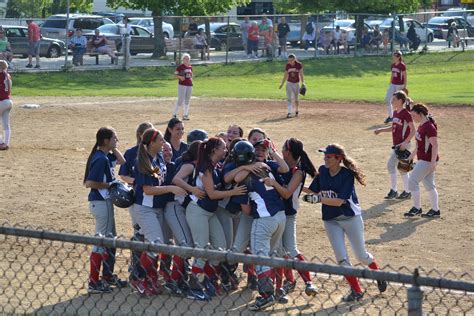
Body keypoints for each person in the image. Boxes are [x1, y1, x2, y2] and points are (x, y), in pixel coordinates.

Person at [304, 144, 388, 302]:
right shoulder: (322, 171)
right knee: (342, 259)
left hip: (350, 218)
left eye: (328, 156)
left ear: (338, 159)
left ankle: (379, 274)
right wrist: (296, 186)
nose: (325, 159)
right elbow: (313, 191)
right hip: (331, 220)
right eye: (325, 156)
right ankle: (357, 291)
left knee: (361, 256)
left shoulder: (347, 175)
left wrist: (319, 199)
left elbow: (339, 201)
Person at [185, 137, 246, 299]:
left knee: (220, 248)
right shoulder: (206, 168)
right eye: (223, 148)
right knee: (202, 249)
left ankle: (205, 279)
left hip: (208, 213)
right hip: (197, 211)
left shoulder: (215, 166)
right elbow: (212, 194)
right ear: (214, 150)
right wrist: (233, 192)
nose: (226, 151)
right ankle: (194, 287)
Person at [232, 141, 287, 311]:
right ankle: (275, 289)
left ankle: (266, 295)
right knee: (270, 255)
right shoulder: (265, 167)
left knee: (260, 257)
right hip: (280, 217)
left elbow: (247, 210)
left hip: (264, 220)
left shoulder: (244, 176)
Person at [132, 128, 187, 296]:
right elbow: (148, 189)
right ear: (152, 143)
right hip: (145, 208)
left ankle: (151, 279)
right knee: (156, 243)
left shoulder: (159, 157)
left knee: (159, 244)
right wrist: (171, 188)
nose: (164, 143)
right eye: (161, 140)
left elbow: (160, 175)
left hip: (158, 208)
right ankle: (138, 278)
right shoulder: (143, 162)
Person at [261, 138, 318, 299]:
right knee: (278, 251)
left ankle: (308, 282)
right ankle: (280, 286)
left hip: (288, 215)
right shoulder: (281, 166)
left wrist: (273, 183)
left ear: (287, 152)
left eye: (283, 149)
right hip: (275, 214)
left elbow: (286, 193)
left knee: (291, 249)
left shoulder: (298, 171)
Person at [83, 127, 127, 294]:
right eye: (115, 138)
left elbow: (122, 161)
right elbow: (90, 183)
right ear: (105, 141)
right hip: (101, 203)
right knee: (101, 242)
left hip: (103, 203)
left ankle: (107, 276)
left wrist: (113, 147)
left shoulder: (105, 156)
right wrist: (110, 185)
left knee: (109, 240)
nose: (118, 140)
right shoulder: (101, 159)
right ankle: (94, 282)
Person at [118, 122, 154, 289]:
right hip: (137, 198)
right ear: (140, 135)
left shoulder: (154, 154)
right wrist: (137, 182)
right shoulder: (132, 153)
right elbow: (123, 175)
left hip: (152, 199)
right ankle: (136, 270)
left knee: (150, 234)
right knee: (139, 232)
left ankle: (148, 271)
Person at [374, 90, 415, 200]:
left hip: (403, 145)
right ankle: (407, 191)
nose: (392, 102)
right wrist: (381, 130)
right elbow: (393, 127)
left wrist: (405, 143)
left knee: (391, 165)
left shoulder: (406, 114)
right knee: (402, 169)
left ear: (400, 101)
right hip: (397, 145)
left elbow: (413, 131)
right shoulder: (396, 112)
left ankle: (395, 190)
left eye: (394, 100)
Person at [404, 103, 440, 218]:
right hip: (424, 160)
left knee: (412, 182)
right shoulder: (421, 125)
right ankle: (435, 210)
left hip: (427, 160)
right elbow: (419, 145)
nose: (412, 118)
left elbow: (435, 145)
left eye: (414, 116)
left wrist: (433, 162)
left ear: (420, 114)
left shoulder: (429, 127)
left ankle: (416, 208)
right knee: (429, 185)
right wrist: (411, 156)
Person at [384, 50, 407, 124]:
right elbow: (392, 75)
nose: (393, 57)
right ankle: (391, 117)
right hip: (393, 84)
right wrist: (390, 84)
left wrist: (404, 86)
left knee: (399, 101)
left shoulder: (402, 65)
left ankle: (403, 116)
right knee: (387, 99)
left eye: (395, 56)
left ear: (399, 57)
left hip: (400, 85)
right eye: (393, 56)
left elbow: (405, 76)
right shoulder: (393, 65)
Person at [279, 54, 304, 118]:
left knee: (296, 99)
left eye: (291, 60)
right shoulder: (287, 65)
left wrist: (303, 83)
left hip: (296, 83)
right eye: (289, 60)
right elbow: (285, 75)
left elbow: (301, 74)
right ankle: (289, 112)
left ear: (294, 59)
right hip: (289, 83)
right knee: (289, 98)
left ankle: (296, 110)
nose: (290, 62)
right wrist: (282, 84)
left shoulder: (299, 65)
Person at [173, 53, 193, 120]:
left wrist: (191, 80)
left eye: (188, 59)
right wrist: (180, 77)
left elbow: (191, 75)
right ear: (183, 60)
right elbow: (175, 74)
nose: (187, 60)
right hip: (182, 85)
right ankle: (174, 114)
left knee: (187, 100)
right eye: (185, 59)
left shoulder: (190, 67)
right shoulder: (180, 67)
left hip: (189, 85)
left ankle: (185, 115)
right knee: (180, 100)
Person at [0, 60, 11, 151]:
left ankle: (0, 143)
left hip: (1, 102)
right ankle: (6, 144)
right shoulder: (7, 75)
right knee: (6, 124)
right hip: (8, 101)